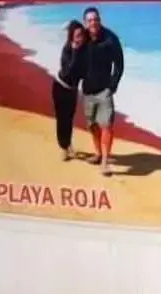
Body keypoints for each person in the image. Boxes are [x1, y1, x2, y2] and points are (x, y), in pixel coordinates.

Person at [81, 6, 124, 176]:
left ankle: (105, 162)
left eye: (96, 19)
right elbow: (73, 55)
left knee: (106, 125)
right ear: (85, 23)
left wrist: (113, 85)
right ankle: (98, 154)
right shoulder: (82, 37)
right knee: (92, 125)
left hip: (104, 91)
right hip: (87, 91)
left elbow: (119, 63)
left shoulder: (110, 38)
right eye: (90, 20)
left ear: (100, 20)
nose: (93, 23)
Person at [52, 21, 87, 161]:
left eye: (81, 35)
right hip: (60, 87)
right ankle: (63, 148)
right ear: (71, 37)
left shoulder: (84, 50)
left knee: (70, 119)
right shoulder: (67, 50)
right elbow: (68, 72)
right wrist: (75, 52)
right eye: (77, 36)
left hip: (72, 90)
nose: (80, 38)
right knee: (62, 119)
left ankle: (68, 144)